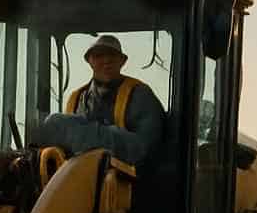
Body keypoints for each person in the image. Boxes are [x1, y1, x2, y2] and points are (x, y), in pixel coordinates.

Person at [30, 34, 164, 166]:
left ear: (122, 61)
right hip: (78, 181)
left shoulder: (140, 96)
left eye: (112, 55)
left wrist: (85, 136)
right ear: (89, 60)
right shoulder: (76, 100)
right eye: (99, 56)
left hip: (129, 183)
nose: (106, 61)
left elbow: (145, 150)